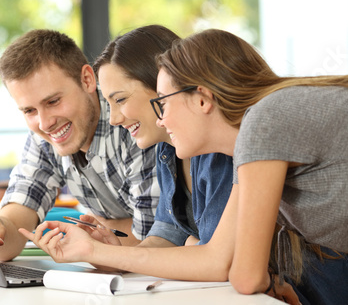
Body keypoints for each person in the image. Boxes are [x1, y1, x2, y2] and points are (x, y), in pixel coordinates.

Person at [21, 29, 348, 305]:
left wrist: (202, 251)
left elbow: (239, 273)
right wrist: (107, 250)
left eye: (162, 101)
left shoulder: (263, 123)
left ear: (202, 98)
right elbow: (210, 253)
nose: (161, 118)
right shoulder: (246, 140)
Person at [0, 29, 160, 262]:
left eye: (53, 101)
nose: (45, 123)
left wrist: (90, 238)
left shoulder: (132, 125)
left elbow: (152, 237)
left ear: (87, 80)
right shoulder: (45, 137)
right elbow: (15, 227)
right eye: (29, 111)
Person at [91, 24, 233, 247]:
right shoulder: (166, 149)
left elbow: (215, 255)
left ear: (162, 83)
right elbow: (167, 234)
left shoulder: (218, 148)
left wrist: (193, 246)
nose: (113, 119)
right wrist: (115, 255)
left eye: (120, 100)